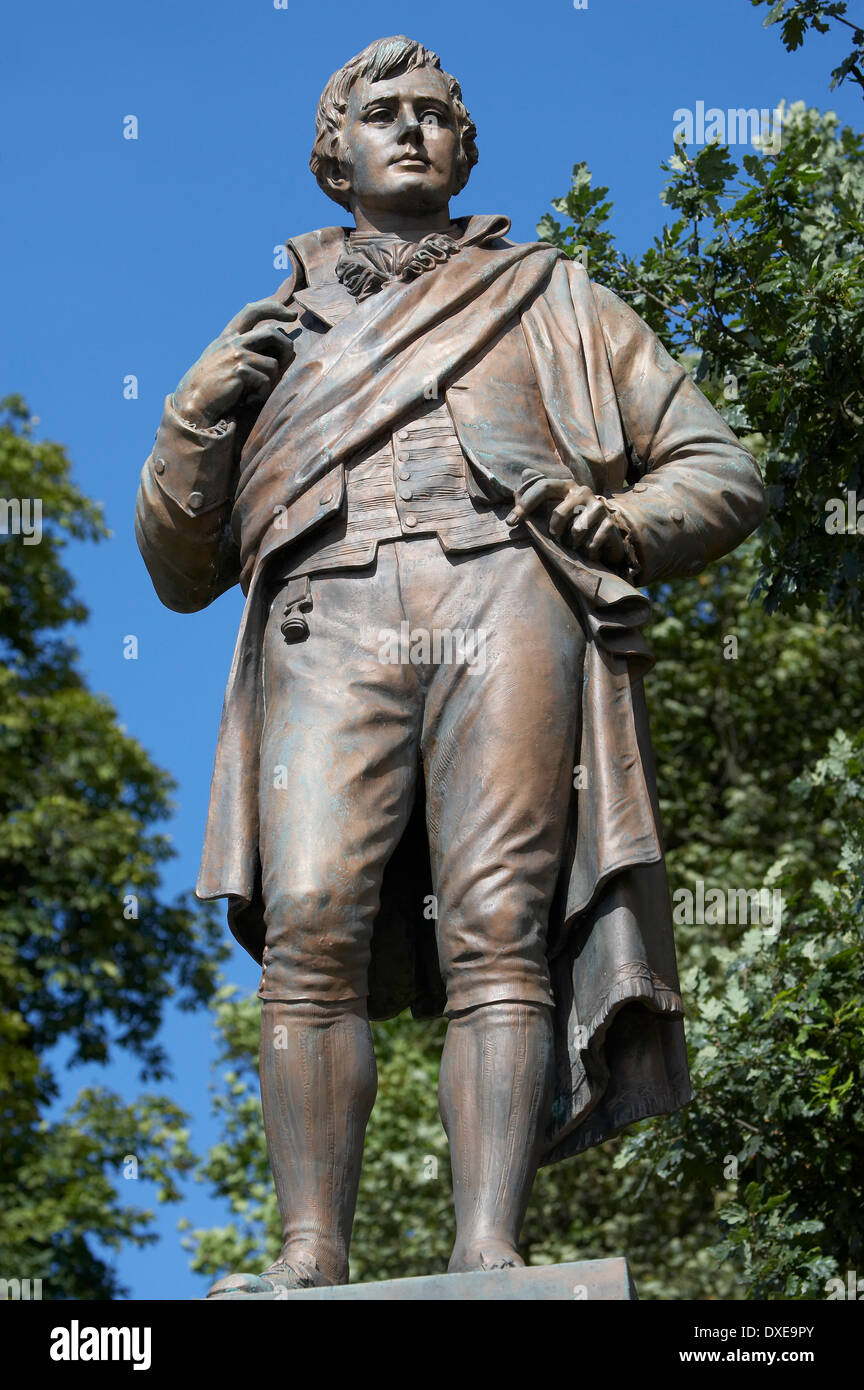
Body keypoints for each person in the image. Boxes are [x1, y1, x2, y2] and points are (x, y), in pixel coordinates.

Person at [135, 35, 767, 1293]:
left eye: (435, 112)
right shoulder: (271, 333)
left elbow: (723, 468)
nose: (412, 128)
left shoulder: (552, 295)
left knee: (498, 925)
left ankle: (491, 1250)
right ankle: (310, 1252)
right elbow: (179, 566)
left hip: (506, 598)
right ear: (335, 155)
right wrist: (192, 415)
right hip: (325, 617)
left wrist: (622, 522)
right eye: (383, 112)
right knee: (309, 925)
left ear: (465, 149)